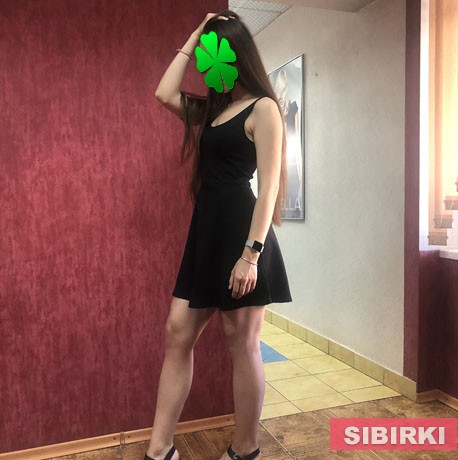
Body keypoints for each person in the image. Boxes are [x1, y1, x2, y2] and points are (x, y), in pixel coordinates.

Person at [146, 10, 292, 460]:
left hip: (242, 237)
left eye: (216, 51)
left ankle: (244, 450)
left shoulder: (263, 108)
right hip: (206, 236)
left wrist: (251, 255)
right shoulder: (213, 109)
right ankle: (160, 449)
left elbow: (268, 189)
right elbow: (164, 93)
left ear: (236, 54)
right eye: (206, 55)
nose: (209, 62)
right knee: (177, 332)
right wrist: (194, 36)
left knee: (242, 342)